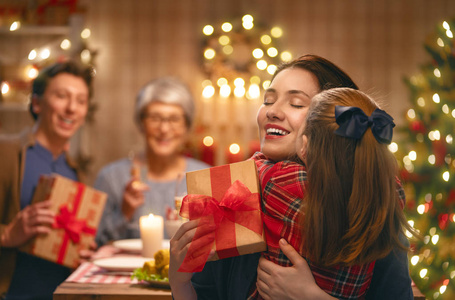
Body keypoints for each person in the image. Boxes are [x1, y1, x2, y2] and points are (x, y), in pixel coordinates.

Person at [169, 55, 415, 300]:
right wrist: (180, 282)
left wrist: (311, 296)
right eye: (268, 100)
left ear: (333, 122)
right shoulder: (235, 191)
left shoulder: (372, 199)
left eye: (296, 103)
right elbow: (206, 293)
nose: (273, 111)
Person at [0, 61, 92, 300]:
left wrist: (81, 253)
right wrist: (7, 235)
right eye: (62, 96)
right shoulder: (7, 154)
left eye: (81, 101)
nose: (72, 108)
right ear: (37, 103)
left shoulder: (76, 173)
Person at [94, 77, 210, 245]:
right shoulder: (111, 177)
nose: (164, 129)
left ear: (186, 126)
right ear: (141, 123)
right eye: (155, 118)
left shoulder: (203, 177)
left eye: (174, 119)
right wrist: (124, 214)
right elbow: (93, 244)